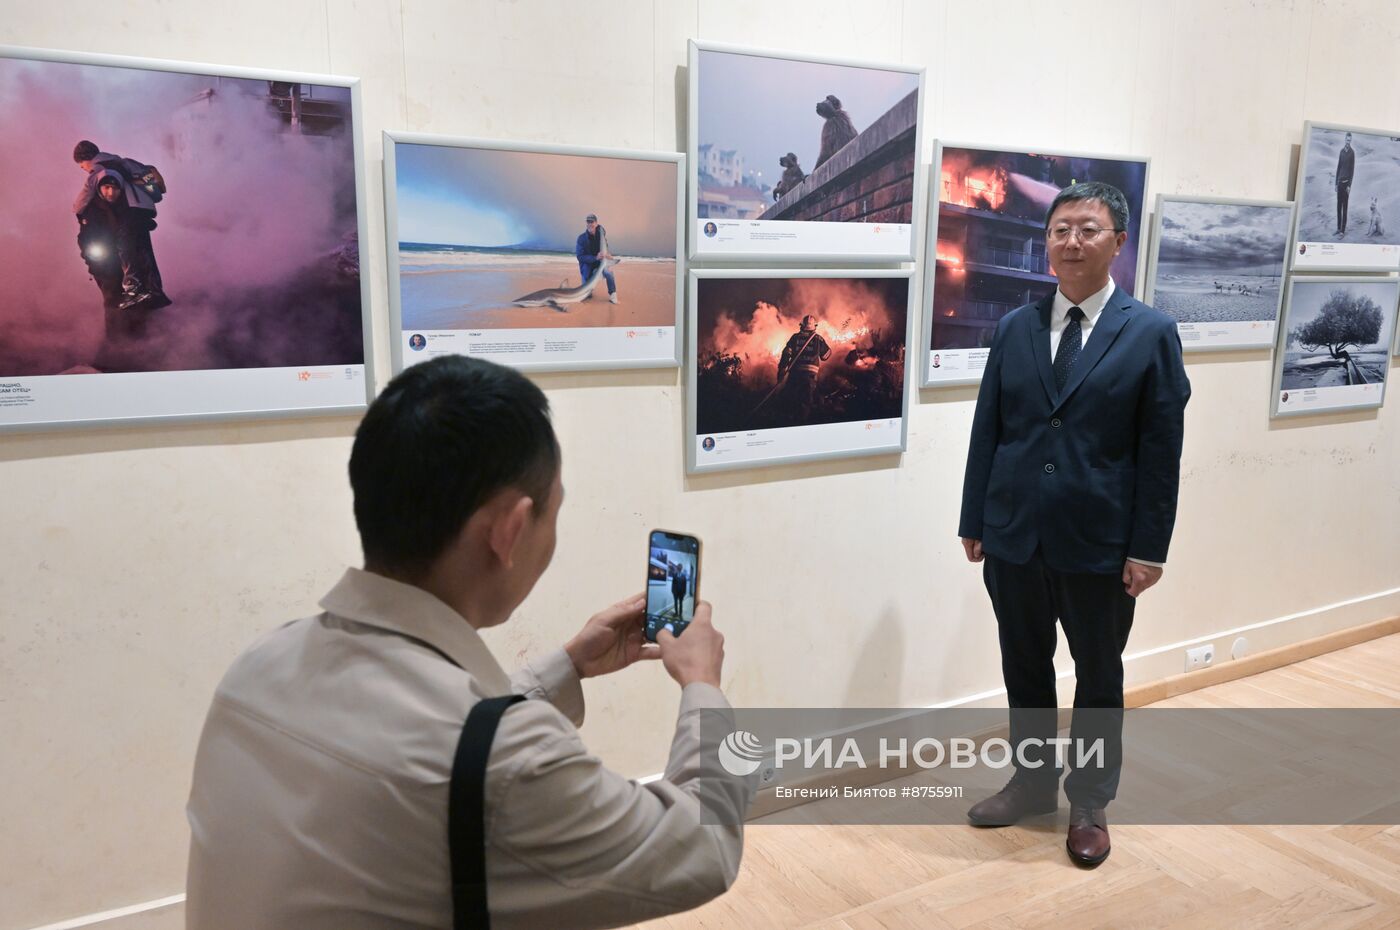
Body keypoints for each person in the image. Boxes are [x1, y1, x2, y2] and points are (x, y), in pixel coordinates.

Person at [186, 355, 753, 928]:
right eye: (554, 510)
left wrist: (569, 666)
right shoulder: (512, 762)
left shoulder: (259, 665)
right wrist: (701, 685)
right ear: (510, 530)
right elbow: (702, 849)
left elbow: (435, 735)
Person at [957, 181, 1190, 868]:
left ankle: (1089, 801)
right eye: (1060, 229)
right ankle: (1031, 785)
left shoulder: (1150, 332)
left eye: (1088, 229)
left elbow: (1161, 452)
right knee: (1024, 667)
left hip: (1101, 543)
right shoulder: (1016, 327)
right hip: (1015, 536)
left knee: (1097, 676)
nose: (1072, 242)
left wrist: (1149, 549)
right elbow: (988, 430)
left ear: (1118, 242)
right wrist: (975, 518)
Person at [72, 141, 170, 311]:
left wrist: (78, 210)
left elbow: (86, 196)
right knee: (143, 250)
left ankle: (133, 289)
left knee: (124, 246)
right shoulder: (123, 162)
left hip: (131, 208)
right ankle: (154, 291)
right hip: (145, 207)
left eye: (82, 165)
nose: (83, 169)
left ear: (86, 159)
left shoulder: (101, 169)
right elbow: (152, 186)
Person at [776, 315, 831, 422]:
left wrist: (782, 369)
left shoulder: (795, 338)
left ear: (801, 326)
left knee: (791, 397)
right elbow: (825, 356)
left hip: (795, 373)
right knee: (805, 401)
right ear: (814, 326)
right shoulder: (818, 339)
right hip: (810, 376)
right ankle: (801, 422)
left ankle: (788, 420)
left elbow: (786, 353)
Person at [575, 213, 618, 304]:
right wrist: (595, 257)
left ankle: (613, 294)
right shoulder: (581, 238)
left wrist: (609, 257)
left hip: (601, 263)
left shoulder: (602, 238)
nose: (590, 224)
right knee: (587, 294)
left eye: (592, 222)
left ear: (596, 223)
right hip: (588, 265)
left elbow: (606, 251)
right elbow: (580, 257)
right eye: (588, 222)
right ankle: (588, 291)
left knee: (608, 272)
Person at [1336, 131, 1355, 236]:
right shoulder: (1341, 151)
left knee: (1345, 208)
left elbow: (1352, 171)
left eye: (1349, 140)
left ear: (1350, 140)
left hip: (1346, 184)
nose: (1348, 142)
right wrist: (1336, 183)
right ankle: (1338, 228)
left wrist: (1349, 186)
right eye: (1347, 140)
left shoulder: (1352, 153)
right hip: (1339, 183)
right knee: (1338, 207)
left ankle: (1342, 231)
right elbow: (1338, 167)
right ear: (1345, 139)